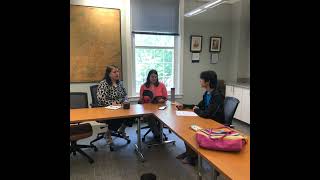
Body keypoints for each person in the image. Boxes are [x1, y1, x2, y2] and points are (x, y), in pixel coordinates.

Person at [175, 70, 225, 166]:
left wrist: (195, 110)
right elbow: (198, 106)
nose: (200, 81)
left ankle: (192, 157)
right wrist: (185, 106)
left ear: (208, 82)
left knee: (190, 130)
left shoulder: (217, 96)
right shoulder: (207, 93)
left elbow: (207, 114)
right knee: (186, 127)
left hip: (215, 124)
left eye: (201, 79)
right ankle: (190, 152)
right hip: (207, 120)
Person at [96, 65, 128, 144]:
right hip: (107, 108)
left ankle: (122, 129)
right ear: (109, 74)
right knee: (117, 117)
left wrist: (125, 100)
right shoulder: (104, 83)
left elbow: (124, 95)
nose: (117, 73)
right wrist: (113, 103)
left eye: (118, 71)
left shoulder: (119, 83)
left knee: (132, 114)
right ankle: (107, 134)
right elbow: (101, 99)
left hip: (120, 107)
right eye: (114, 72)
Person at [138, 69, 168, 141]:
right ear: (149, 77)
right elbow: (140, 100)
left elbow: (166, 97)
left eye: (155, 77)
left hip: (159, 108)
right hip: (147, 109)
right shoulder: (143, 86)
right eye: (152, 77)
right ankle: (158, 135)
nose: (154, 78)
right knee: (151, 116)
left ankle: (158, 133)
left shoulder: (162, 85)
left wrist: (162, 100)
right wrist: (142, 100)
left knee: (161, 116)